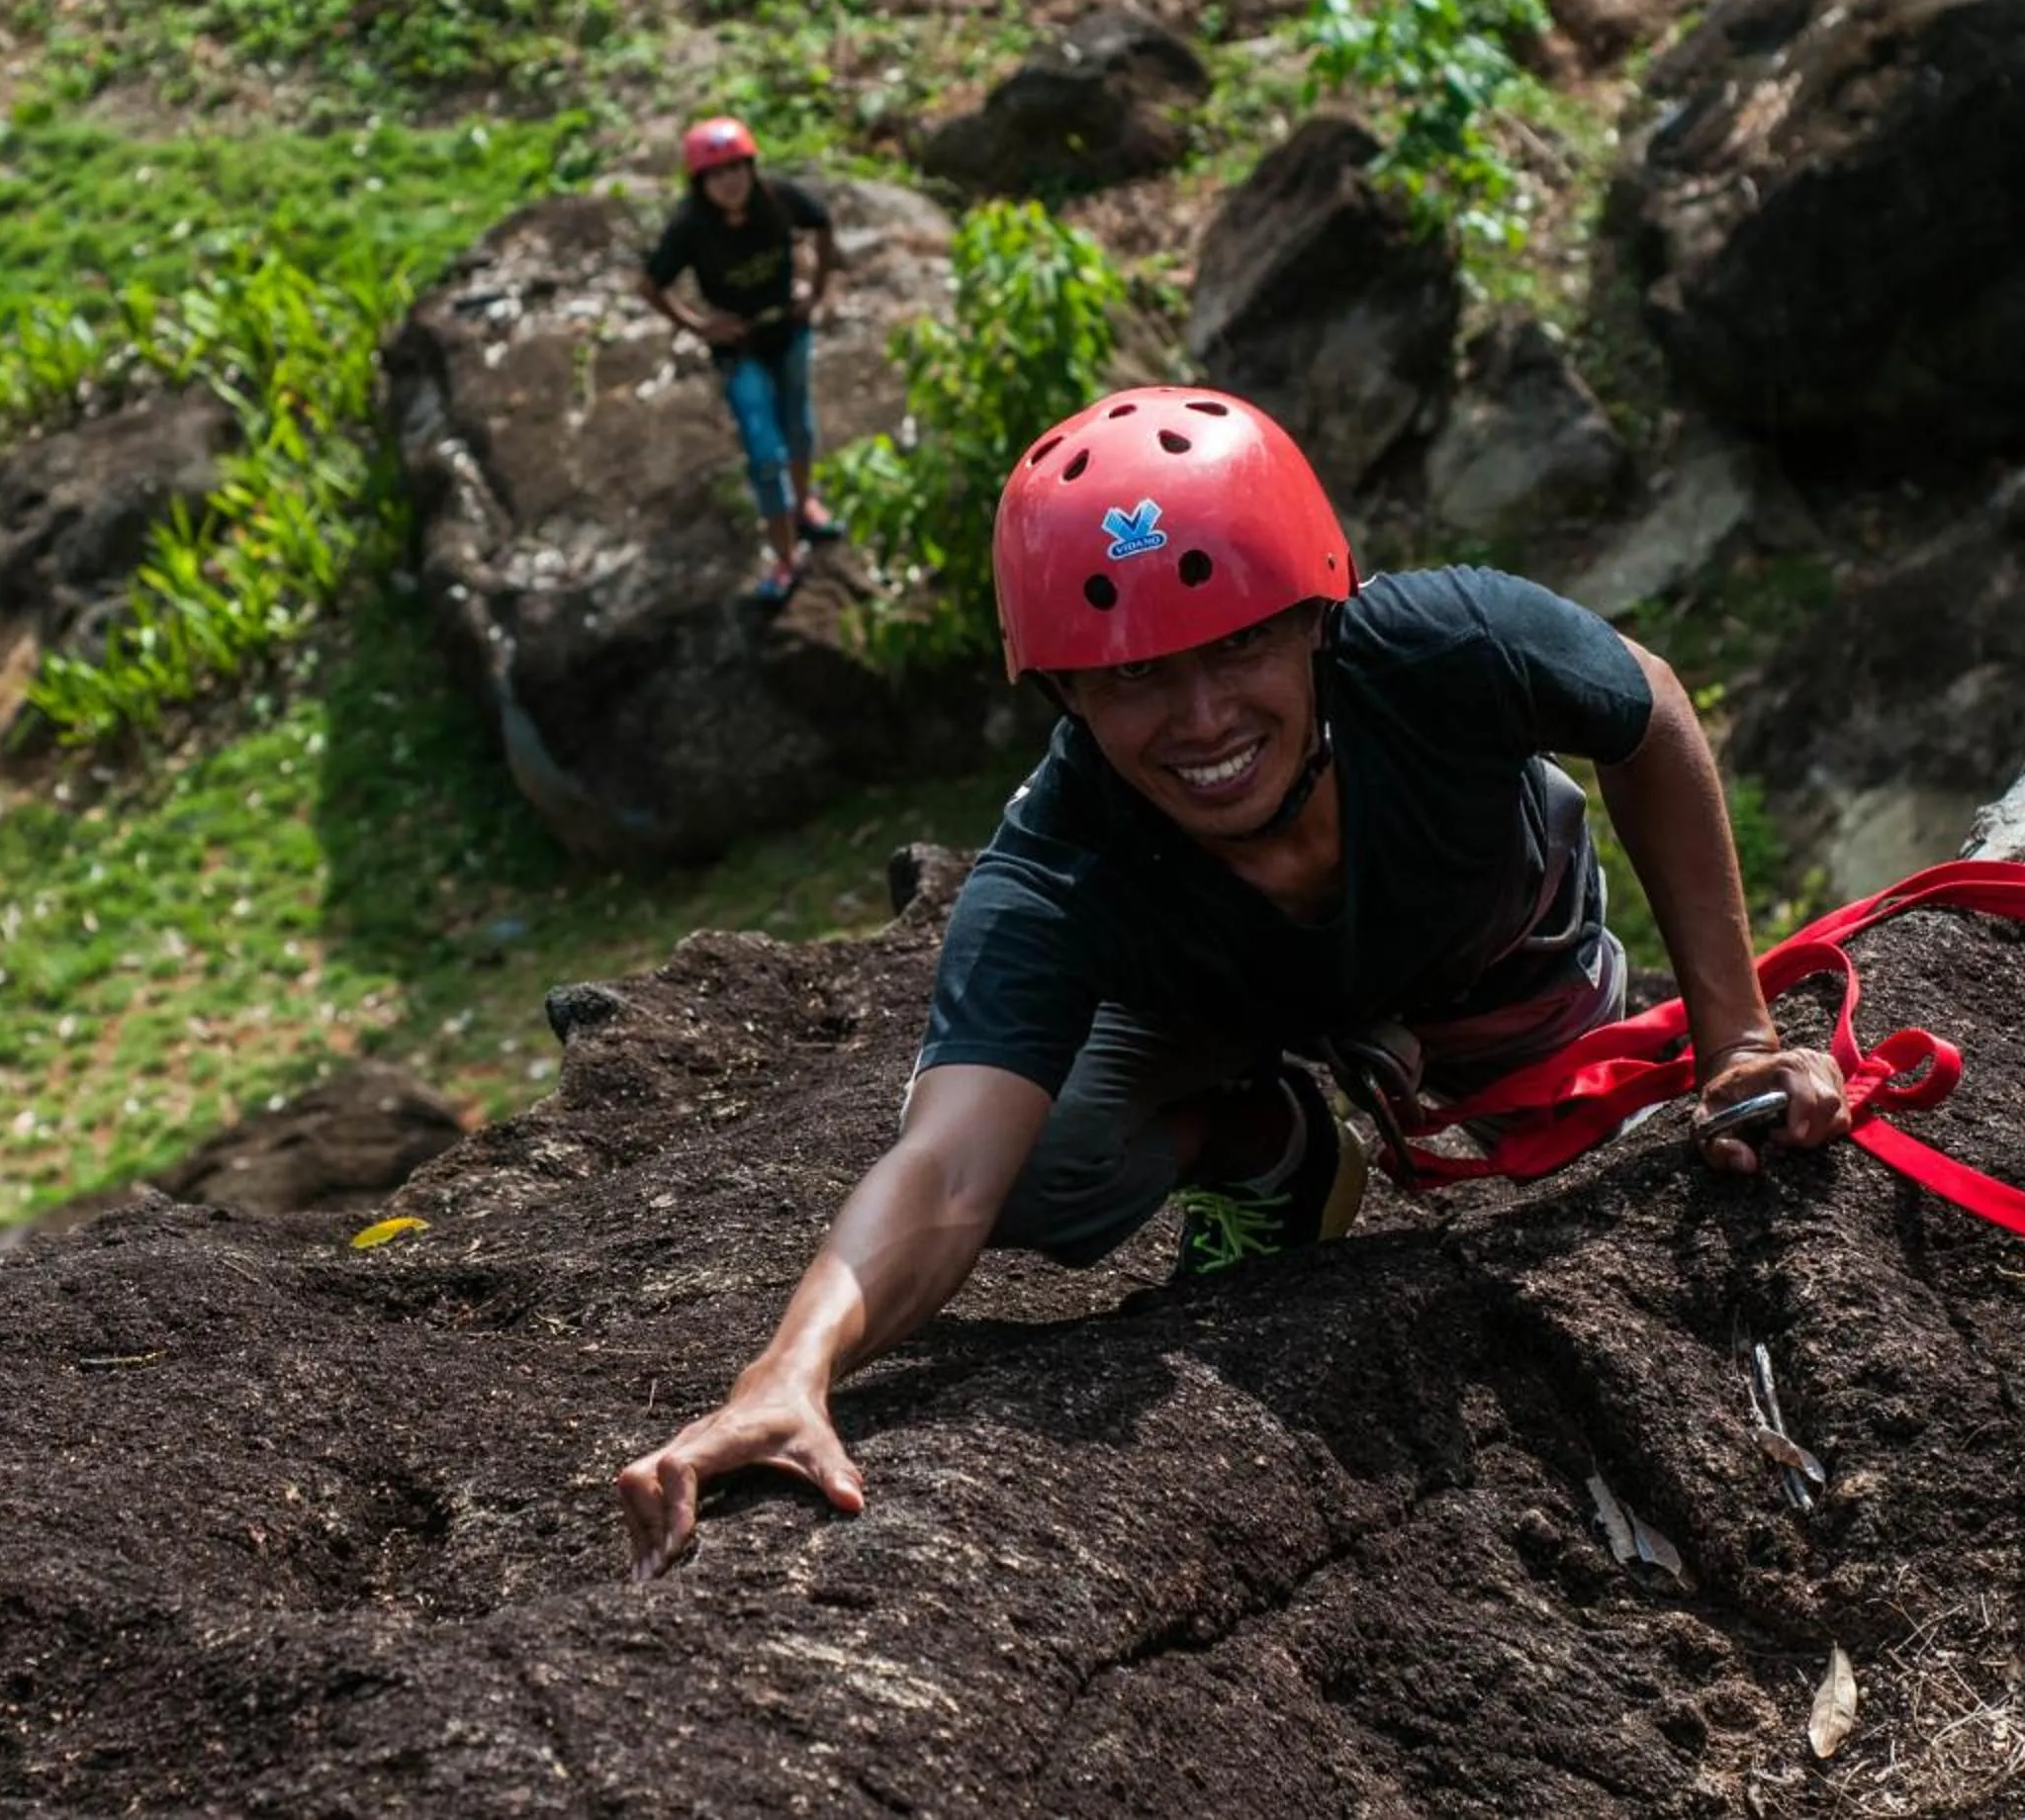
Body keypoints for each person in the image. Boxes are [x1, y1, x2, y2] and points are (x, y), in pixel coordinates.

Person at [615, 386, 1852, 1580]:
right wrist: (788, 1372)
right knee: (1044, 1165)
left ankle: (1437, 1046)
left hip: (1485, 939)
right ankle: (1275, 1149)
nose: (1202, 716)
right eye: (1134, 674)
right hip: (1231, 1010)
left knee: (1588, 1142)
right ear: (1064, 691)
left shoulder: (1445, 648)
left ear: (1319, 619)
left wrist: (1733, 1034)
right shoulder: (1056, 867)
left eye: (1237, 643)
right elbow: (943, 1170)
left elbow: (1648, 711)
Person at [637, 115, 845, 605]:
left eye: (736, 169)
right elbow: (650, 286)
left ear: (751, 168)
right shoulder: (690, 229)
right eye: (716, 174)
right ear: (700, 183)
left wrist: (814, 290)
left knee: (799, 428)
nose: (729, 182)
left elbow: (821, 224)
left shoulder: (779, 201)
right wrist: (698, 324)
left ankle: (805, 508)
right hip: (739, 349)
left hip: (788, 332)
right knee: (765, 454)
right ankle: (785, 558)